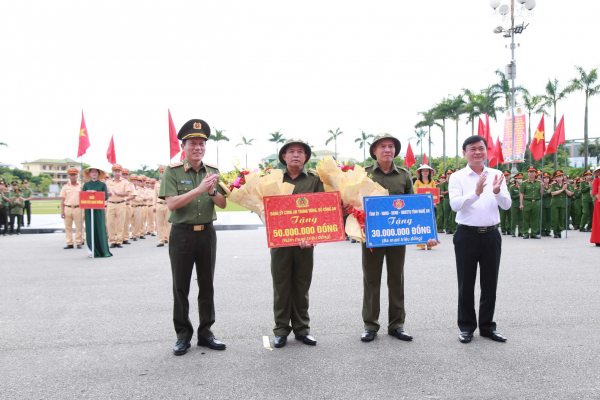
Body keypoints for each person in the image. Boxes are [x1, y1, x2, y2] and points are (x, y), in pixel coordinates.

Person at [359, 133, 438, 344]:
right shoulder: (363, 174)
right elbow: (353, 203)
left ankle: (397, 325)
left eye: (391, 146)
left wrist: (428, 234)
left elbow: (415, 208)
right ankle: (370, 325)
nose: (388, 150)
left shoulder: (404, 175)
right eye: (383, 146)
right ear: (374, 151)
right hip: (372, 237)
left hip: (397, 236)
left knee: (396, 280)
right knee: (371, 280)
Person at [159, 118, 228, 356]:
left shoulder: (214, 172)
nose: (198, 147)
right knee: (181, 286)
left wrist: (211, 190)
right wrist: (198, 190)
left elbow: (223, 203)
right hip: (182, 234)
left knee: (207, 284)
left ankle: (206, 333)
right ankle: (182, 335)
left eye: (201, 144)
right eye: (193, 144)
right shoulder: (173, 172)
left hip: (206, 233)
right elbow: (172, 204)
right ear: (184, 147)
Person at [449, 136, 511, 344]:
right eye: (472, 149)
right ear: (464, 153)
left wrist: (496, 192)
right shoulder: (457, 177)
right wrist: (475, 193)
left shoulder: (497, 174)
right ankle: (466, 327)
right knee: (466, 283)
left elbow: (507, 205)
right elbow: (455, 205)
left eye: (481, 148)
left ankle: (487, 327)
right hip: (467, 235)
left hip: (491, 235)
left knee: (489, 282)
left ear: (487, 151)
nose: (477, 152)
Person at [269, 139, 324, 349]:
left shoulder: (314, 180)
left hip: (305, 243)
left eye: (300, 152)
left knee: (301, 286)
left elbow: (322, 210)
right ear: (283, 156)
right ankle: (281, 329)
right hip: (280, 243)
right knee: (281, 286)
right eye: (291, 151)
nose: (296, 155)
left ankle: (302, 329)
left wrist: (314, 236)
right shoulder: (273, 180)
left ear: (306, 157)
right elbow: (263, 207)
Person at [82, 167, 112, 258]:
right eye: (92, 172)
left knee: (100, 228)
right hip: (89, 209)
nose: (94, 174)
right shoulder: (86, 185)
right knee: (90, 229)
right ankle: (92, 250)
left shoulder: (102, 185)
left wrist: (96, 194)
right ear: (89, 174)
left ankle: (102, 250)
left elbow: (105, 197)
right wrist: (88, 193)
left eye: (95, 172)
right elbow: (83, 197)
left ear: (98, 174)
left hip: (99, 209)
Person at [106, 164, 130, 249]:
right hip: (111, 203)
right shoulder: (108, 182)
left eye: (119, 171)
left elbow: (127, 193)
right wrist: (108, 194)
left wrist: (118, 194)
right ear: (113, 172)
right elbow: (105, 193)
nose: (117, 173)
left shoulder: (125, 182)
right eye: (115, 171)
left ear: (121, 172)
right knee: (110, 223)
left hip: (121, 203)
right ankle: (112, 241)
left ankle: (119, 240)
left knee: (120, 223)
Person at [413, 164, 437, 249]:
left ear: (429, 172)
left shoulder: (432, 182)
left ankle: (431, 243)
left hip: (429, 205)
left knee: (430, 223)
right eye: (423, 171)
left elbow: (435, 193)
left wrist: (434, 201)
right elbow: (415, 193)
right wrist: (423, 190)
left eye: (427, 171)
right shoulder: (417, 182)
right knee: (421, 224)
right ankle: (422, 243)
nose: (425, 172)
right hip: (420, 205)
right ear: (420, 172)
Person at [60, 168, 83, 249]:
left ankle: (78, 242)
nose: (73, 177)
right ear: (69, 176)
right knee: (68, 227)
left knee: (79, 226)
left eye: (74, 175)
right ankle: (69, 243)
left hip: (78, 208)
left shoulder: (81, 186)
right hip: (68, 208)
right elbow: (63, 200)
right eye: (71, 175)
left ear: (77, 176)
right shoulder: (65, 187)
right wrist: (62, 211)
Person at [519, 165, 542, 239]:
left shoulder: (539, 183)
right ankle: (525, 233)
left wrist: (542, 186)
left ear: (536, 173)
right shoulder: (524, 183)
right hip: (527, 202)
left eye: (533, 172)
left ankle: (533, 233)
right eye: (530, 172)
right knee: (526, 218)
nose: (531, 173)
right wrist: (521, 204)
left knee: (535, 218)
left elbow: (541, 193)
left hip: (536, 202)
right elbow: (521, 193)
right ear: (528, 173)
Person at [550, 170, 571, 238]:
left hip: (562, 204)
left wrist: (565, 189)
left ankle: (560, 231)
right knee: (555, 218)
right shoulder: (553, 185)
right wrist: (562, 189)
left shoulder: (566, 185)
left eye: (560, 177)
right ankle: (555, 232)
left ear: (562, 178)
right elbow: (553, 193)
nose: (559, 178)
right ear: (556, 178)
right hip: (555, 204)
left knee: (562, 218)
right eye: (557, 177)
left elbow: (570, 194)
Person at [154, 166, 171, 247]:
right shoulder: (157, 184)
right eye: (162, 173)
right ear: (160, 174)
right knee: (160, 224)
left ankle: (169, 239)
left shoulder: (171, 182)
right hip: (159, 205)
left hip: (168, 205)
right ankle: (161, 240)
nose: (163, 174)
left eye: (165, 172)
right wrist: (154, 206)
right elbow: (155, 196)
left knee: (169, 224)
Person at [129, 175, 144, 241]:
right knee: (130, 222)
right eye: (132, 181)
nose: (133, 182)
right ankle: (131, 234)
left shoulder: (140, 189)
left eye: (134, 181)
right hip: (130, 206)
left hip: (137, 206)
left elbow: (142, 199)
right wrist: (134, 198)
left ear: (137, 182)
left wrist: (134, 198)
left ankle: (135, 235)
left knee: (137, 222)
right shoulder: (128, 188)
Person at [121, 168, 133, 244]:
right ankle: (119, 238)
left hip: (127, 204)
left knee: (126, 222)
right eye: (123, 174)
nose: (125, 176)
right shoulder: (116, 183)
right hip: (119, 204)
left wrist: (124, 199)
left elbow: (133, 195)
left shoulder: (130, 185)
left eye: (126, 175)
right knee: (119, 222)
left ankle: (125, 237)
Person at [590, 167, 600, 246]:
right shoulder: (596, 180)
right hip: (599, 202)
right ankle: (597, 239)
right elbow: (595, 192)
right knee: (598, 220)